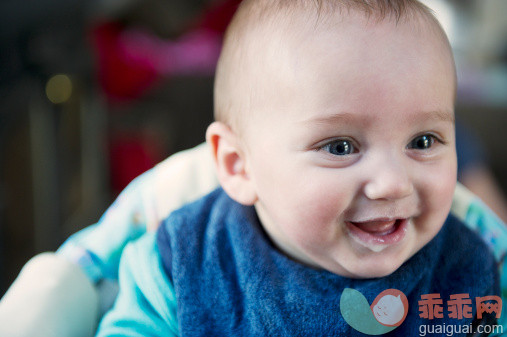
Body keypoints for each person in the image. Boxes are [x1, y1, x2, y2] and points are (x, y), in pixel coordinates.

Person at [89, 0, 501, 335]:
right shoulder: (183, 264)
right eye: (341, 147)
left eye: (422, 141)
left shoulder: (471, 264)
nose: (392, 184)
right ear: (239, 167)